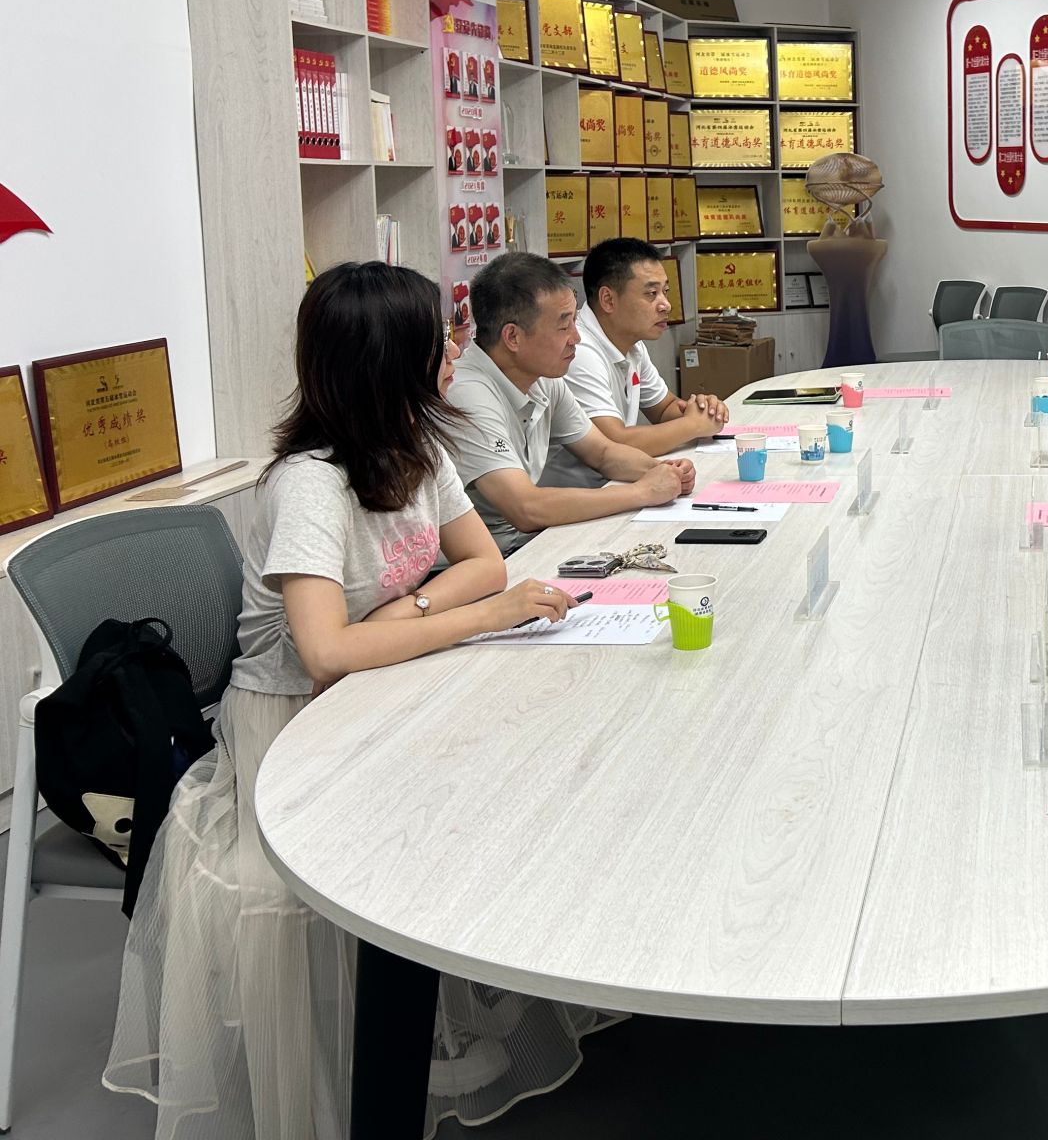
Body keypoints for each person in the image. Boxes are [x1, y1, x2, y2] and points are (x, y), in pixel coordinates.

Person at [104, 263, 617, 1136]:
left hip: (388, 677)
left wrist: (408, 611)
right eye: (439, 341)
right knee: (430, 824)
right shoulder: (311, 483)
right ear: (390, 363)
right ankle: (405, 1029)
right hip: (292, 724)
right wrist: (468, 616)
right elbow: (326, 652)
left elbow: (483, 561)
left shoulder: (420, 446)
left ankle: (455, 998)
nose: (456, 352)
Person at [446, 251, 695, 554]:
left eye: (575, 321)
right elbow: (526, 508)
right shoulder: (467, 394)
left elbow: (602, 452)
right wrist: (643, 492)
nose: (576, 337)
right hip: (489, 557)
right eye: (564, 326)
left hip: (530, 542)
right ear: (513, 337)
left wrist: (664, 471)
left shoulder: (544, 376)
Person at [543, 236, 728, 488]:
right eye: (651, 294)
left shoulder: (632, 344)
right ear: (608, 300)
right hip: (576, 495)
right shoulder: (579, 349)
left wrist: (704, 410)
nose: (666, 305)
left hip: (614, 484)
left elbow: (664, 409)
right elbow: (614, 441)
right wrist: (693, 425)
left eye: (665, 292)